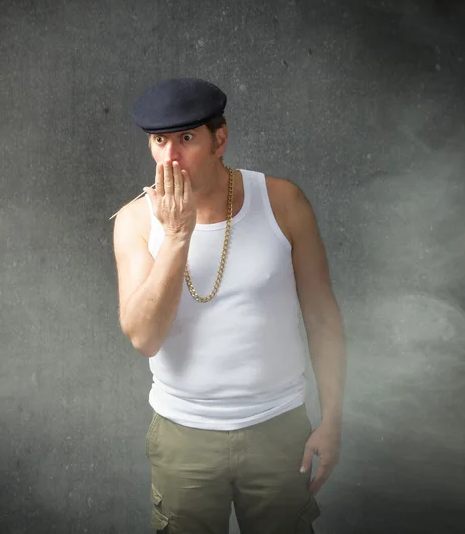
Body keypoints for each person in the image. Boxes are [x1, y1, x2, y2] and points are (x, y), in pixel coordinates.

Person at [112, 77, 346, 534]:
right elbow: (143, 337)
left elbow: (322, 318)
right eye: (159, 141)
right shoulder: (135, 221)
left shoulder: (282, 201)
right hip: (184, 435)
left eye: (186, 139)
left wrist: (333, 420)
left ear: (220, 139)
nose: (170, 158)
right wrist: (177, 236)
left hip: (279, 430)